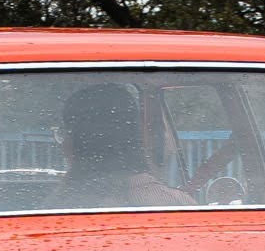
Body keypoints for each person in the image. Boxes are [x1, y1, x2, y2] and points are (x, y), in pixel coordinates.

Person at [55, 84, 192, 210]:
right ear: (136, 138)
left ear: (77, 142)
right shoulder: (181, 205)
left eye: (63, 132)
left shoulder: (57, 208)